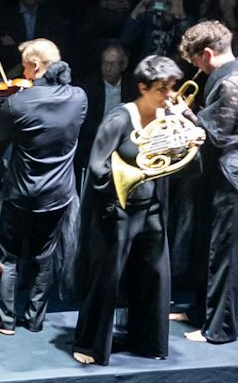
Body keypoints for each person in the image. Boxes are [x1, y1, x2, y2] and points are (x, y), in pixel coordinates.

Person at [72, 55, 189, 365]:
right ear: (143, 87)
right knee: (107, 278)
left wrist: (190, 136)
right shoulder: (120, 118)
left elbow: (173, 159)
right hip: (119, 208)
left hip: (151, 207)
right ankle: (89, 343)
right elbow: (98, 166)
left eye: (171, 88)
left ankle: (147, 341)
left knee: (154, 273)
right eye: (162, 89)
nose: (169, 95)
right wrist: (111, 203)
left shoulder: (168, 118)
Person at [175, 20, 238, 344]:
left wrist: (184, 113)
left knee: (225, 254)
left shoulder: (233, 82)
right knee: (209, 246)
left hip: (237, 176)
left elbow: (218, 134)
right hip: (226, 173)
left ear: (206, 53)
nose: (196, 69)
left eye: (195, 62)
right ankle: (201, 310)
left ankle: (220, 328)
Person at [0, 39, 87, 334]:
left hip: (21, 192)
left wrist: (10, 104)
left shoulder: (17, 102)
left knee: (9, 256)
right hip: (58, 193)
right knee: (45, 257)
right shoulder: (79, 97)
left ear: (35, 67)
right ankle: (34, 319)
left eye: (26, 67)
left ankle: (5, 321)